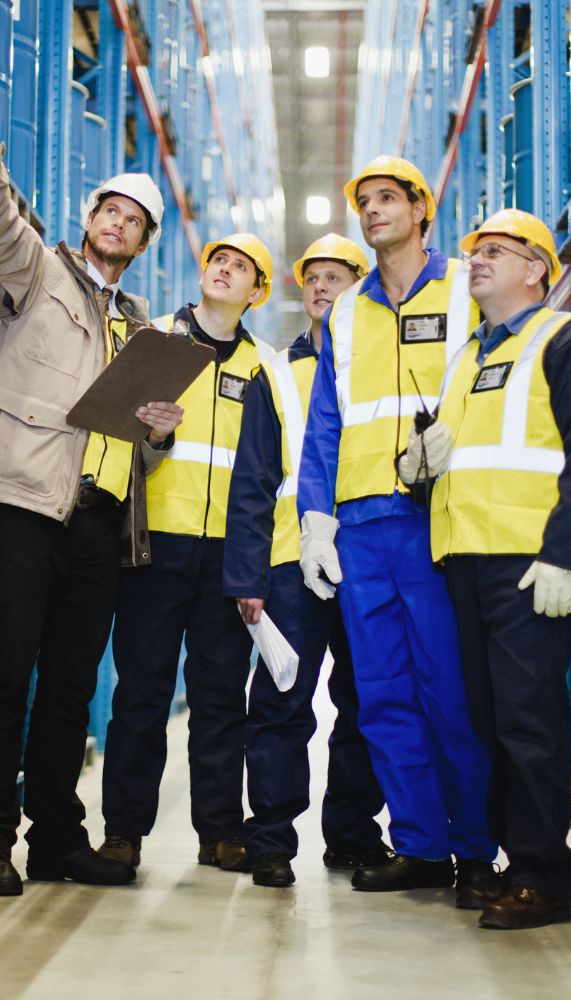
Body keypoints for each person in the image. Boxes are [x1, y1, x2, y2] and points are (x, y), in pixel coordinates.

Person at [0, 68, 182, 896]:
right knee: (5, 680)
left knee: (72, 691)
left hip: (98, 525)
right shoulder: (40, 275)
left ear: (144, 240)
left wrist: (158, 428)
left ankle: (55, 839)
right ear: (90, 219)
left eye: (135, 219)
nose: (119, 222)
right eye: (110, 209)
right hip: (22, 506)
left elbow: (140, 449)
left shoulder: (142, 325)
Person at [296, 156, 499, 907]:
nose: (373, 212)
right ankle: (420, 844)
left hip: (436, 518)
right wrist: (317, 520)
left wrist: (457, 440)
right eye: (365, 202)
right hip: (361, 526)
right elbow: (325, 421)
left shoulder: (461, 285)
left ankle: (475, 847)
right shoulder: (346, 309)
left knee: (450, 691)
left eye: (388, 199)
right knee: (381, 695)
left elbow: (494, 370)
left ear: (421, 211)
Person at [417, 208, 571, 929]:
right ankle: (516, 859)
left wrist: (566, 554)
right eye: (474, 252)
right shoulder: (470, 357)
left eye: (494, 251)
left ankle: (544, 875)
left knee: (528, 722)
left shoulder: (565, 342)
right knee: (491, 718)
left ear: (536, 268)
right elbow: (466, 461)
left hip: (533, 567)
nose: (476, 261)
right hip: (467, 559)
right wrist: (420, 469)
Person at [98, 235, 275, 873]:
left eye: (240, 267)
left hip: (228, 554)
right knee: (142, 695)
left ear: (257, 292)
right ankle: (123, 834)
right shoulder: (156, 343)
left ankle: (221, 833)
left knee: (221, 697)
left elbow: (267, 472)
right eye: (217, 261)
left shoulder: (265, 368)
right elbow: (111, 434)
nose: (224, 270)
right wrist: (151, 434)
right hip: (154, 546)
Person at [223, 234, 392, 888]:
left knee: (368, 703)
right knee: (281, 704)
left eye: (337, 277)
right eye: (313, 278)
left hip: (372, 559)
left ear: (361, 286)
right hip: (291, 567)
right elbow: (252, 481)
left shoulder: (381, 366)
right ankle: (269, 840)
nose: (322, 287)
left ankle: (353, 834)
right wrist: (247, 577)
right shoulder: (276, 375)